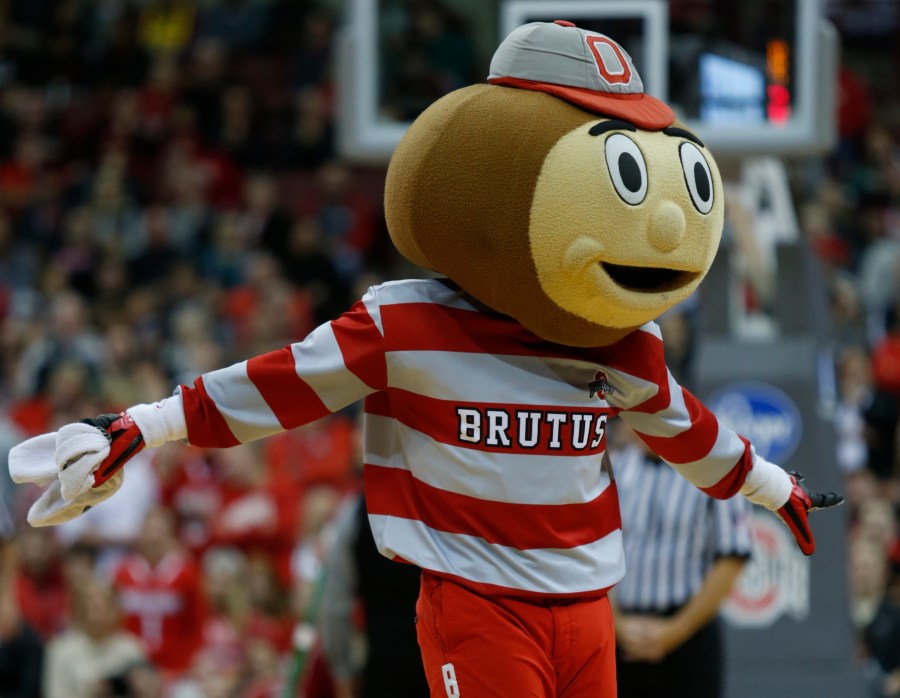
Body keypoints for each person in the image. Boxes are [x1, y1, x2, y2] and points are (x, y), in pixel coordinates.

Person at [10, 21, 843, 697]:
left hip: (591, 600)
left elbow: (686, 431)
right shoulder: (406, 322)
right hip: (479, 601)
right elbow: (280, 385)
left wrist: (772, 485)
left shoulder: (626, 344)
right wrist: (146, 424)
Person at [610, 425, 752, 698]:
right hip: (622, 633)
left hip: (690, 635)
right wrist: (617, 625)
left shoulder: (715, 470)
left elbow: (733, 557)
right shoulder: (615, 467)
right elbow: (596, 550)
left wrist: (674, 631)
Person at [317, 492, 428, 698]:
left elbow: (335, 607)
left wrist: (342, 671)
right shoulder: (434, 504)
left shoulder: (354, 515)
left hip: (384, 663)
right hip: (438, 662)